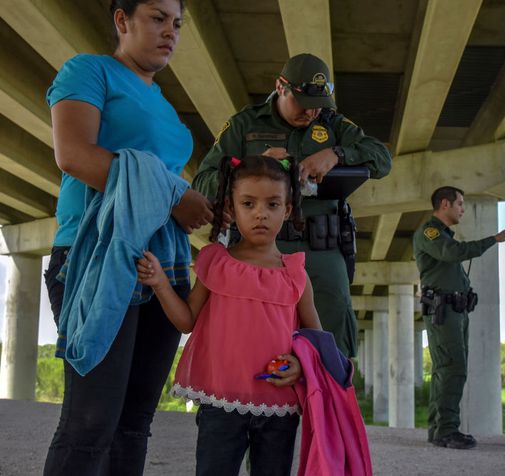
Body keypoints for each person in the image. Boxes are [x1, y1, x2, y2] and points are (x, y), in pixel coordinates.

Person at [42, 1, 212, 474]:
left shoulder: (169, 113)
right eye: (157, 18)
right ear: (122, 21)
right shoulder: (89, 71)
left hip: (161, 267)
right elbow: (74, 154)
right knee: (91, 420)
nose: (170, 32)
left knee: (135, 423)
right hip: (94, 256)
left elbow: (160, 182)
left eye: (177, 23)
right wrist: (174, 196)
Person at [192, 53, 392, 358]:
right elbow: (203, 180)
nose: (311, 112)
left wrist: (336, 153)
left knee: (330, 344)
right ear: (281, 87)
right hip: (257, 249)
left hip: (321, 249)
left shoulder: (333, 124)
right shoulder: (244, 124)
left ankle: (325, 403)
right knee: (252, 342)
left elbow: (382, 159)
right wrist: (252, 168)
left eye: (318, 105)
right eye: (302, 102)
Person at [137, 155, 322, 476]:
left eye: (273, 204)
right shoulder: (214, 261)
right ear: (232, 209)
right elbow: (186, 321)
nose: (260, 213)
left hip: (279, 407)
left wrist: (300, 366)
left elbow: (314, 339)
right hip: (220, 403)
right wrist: (160, 283)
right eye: (248, 203)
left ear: (288, 210)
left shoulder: (295, 273)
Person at [413, 186, 505, 449]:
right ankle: (447, 430)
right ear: (445, 204)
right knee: (452, 368)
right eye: (460, 203)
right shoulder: (431, 232)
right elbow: (454, 253)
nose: (462, 208)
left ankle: (438, 429)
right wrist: (492, 239)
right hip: (443, 311)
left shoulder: (443, 235)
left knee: (446, 369)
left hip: (455, 311)